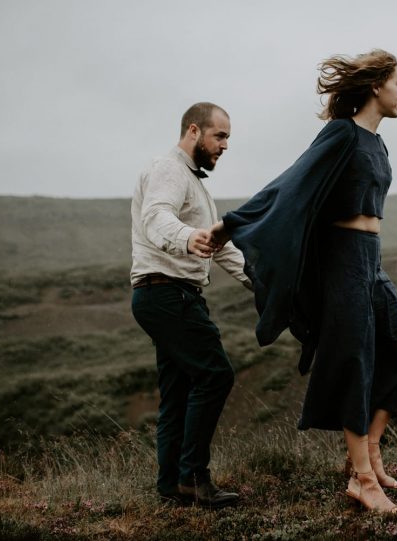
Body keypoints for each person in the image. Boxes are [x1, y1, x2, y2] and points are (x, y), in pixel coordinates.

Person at [207, 50, 397, 513]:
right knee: (352, 362)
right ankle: (363, 480)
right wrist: (229, 225)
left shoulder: (378, 144)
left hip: (371, 259)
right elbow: (290, 183)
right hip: (342, 260)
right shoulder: (342, 134)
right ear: (375, 87)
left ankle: (369, 452)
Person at [130, 102, 252, 508]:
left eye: (228, 138)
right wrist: (186, 238)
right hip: (167, 293)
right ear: (194, 131)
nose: (225, 146)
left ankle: (171, 486)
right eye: (220, 136)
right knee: (215, 376)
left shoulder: (195, 183)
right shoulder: (169, 169)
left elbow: (221, 248)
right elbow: (155, 216)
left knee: (179, 391)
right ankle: (194, 477)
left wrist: (263, 284)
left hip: (165, 295)